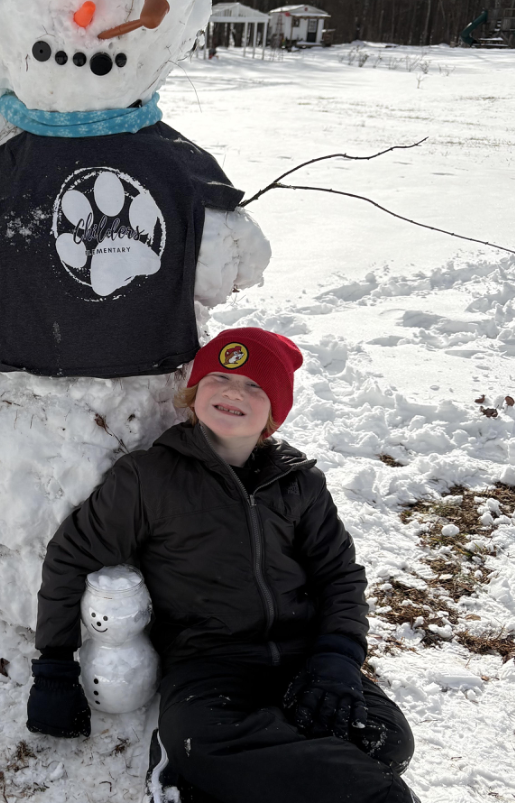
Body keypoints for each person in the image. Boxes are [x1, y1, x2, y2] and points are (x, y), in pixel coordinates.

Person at [26, 327, 419, 803]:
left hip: (303, 658)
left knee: (389, 740)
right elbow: (70, 555)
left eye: (254, 385)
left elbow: (338, 575)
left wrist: (337, 657)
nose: (234, 391)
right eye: (219, 376)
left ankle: (239, 768)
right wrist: (54, 667)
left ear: (274, 411)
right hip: (207, 663)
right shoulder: (149, 478)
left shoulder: (300, 484)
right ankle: (196, 759)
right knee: (207, 738)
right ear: (194, 394)